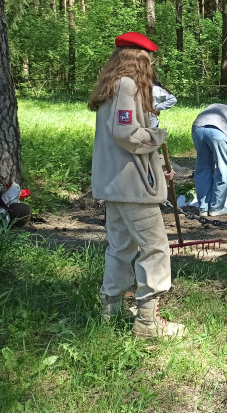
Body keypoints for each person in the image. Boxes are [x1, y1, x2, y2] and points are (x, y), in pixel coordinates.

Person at [88, 31, 186, 338]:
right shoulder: (128, 85)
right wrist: (157, 136)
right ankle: (147, 323)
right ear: (138, 58)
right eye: (148, 60)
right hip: (132, 186)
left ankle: (111, 311)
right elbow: (126, 133)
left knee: (121, 248)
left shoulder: (113, 86)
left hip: (116, 184)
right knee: (155, 249)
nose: (150, 66)